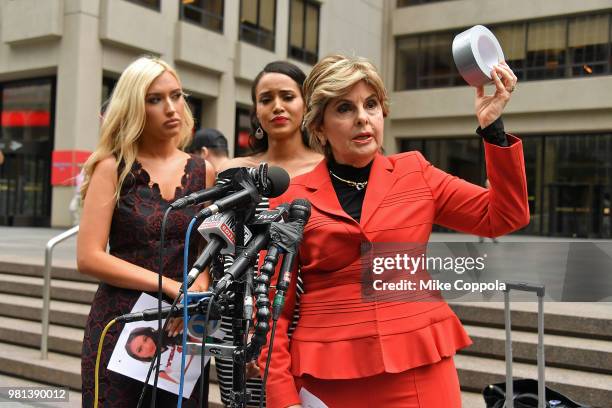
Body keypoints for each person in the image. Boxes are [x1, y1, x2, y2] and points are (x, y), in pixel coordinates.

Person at [260, 54, 529, 407]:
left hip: (420, 368)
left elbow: (504, 215)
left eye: (370, 105)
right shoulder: (290, 199)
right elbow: (270, 308)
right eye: (344, 108)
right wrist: (282, 397)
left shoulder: (415, 172)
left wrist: (492, 129)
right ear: (320, 127)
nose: (362, 118)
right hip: (330, 376)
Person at [77, 56, 215, 408]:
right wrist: (168, 286)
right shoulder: (113, 167)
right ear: (134, 107)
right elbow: (88, 256)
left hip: (183, 330)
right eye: (154, 99)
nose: (171, 108)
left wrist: (199, 288)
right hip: (120, 321)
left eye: (176, 95)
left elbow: (207, 252)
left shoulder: (204, 170)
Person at [214, 61, 323, 407]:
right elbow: (216, 244)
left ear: (306, 105)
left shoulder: (328, 168)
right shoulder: (232, 171)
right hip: (237, 315)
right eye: (266, 99)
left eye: (287, 96)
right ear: (256, 112)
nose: (276, 106)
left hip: (304, 318)